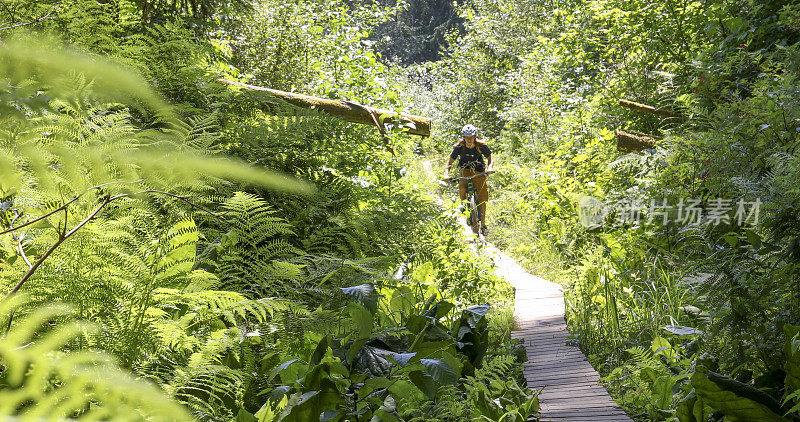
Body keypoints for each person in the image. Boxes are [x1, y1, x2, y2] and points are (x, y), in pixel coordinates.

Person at [442, 124, 494, 233]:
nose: (469, 140)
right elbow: (450, 162)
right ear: (463, 137)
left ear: (475, 136)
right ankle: (465, 207)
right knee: (462, 187)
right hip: (464, 170)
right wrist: (446, 173)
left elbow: (490, 158)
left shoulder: (481, 146)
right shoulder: (459, 147)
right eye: (467, 137)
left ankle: (483, 224)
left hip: (478, 170)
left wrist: (490, 168)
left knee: (482, 196)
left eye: (471, 137)